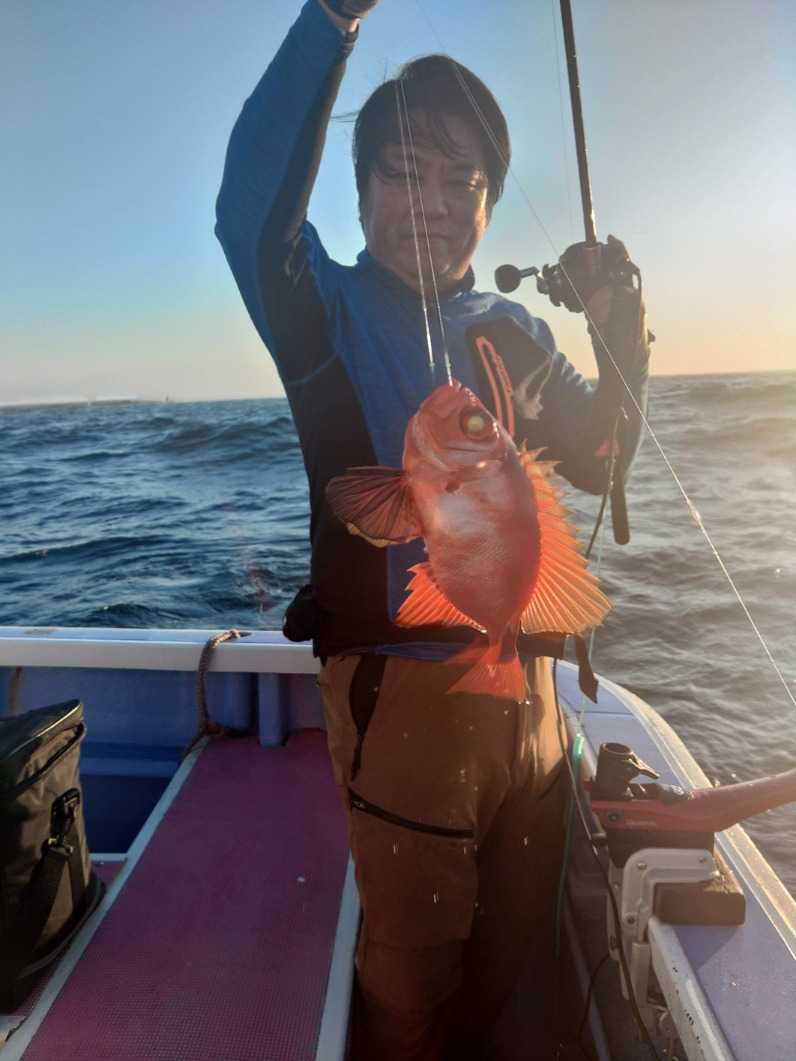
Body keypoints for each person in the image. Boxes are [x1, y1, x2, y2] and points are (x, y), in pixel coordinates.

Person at [215, 2, 651, 1058]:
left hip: (533, 702)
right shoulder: (321, 307)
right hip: (405, 709)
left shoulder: (513, 330)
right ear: (361, 188)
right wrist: (330, 22)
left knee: (512, 956)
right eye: (404, 172)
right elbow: (248, 217)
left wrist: (622, 337)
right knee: (412, 981)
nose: (434, 202)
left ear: (490, 201)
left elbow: (602, 456)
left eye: (463, 180)